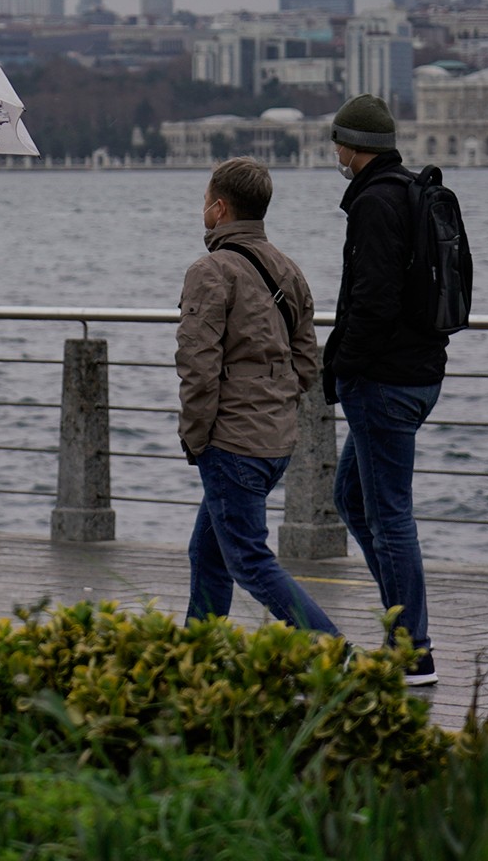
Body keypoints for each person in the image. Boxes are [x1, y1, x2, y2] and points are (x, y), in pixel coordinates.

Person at [175, 157, 340, 637]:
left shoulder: (209, 272)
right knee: (207, 552)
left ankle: (333, 650)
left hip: (232, 442)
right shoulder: (288, 269)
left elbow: (198, 367)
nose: (202, 208)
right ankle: (197, 653)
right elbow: (307, 362)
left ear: (220, 208)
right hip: (274, 440)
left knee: (248, 561)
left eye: (205, 200)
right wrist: (272, 401)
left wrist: (196, 436)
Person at [322, 94, 446, 686]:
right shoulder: (412, 192)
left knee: (390, 515)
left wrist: (343, 368)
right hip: (420, 374)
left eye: (338, 143)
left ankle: (412, 651)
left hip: (383, 382)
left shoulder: (375, 204)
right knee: (351, 498)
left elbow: (371, 302)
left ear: (355, 146)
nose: (335, 154)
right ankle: (401, 623)